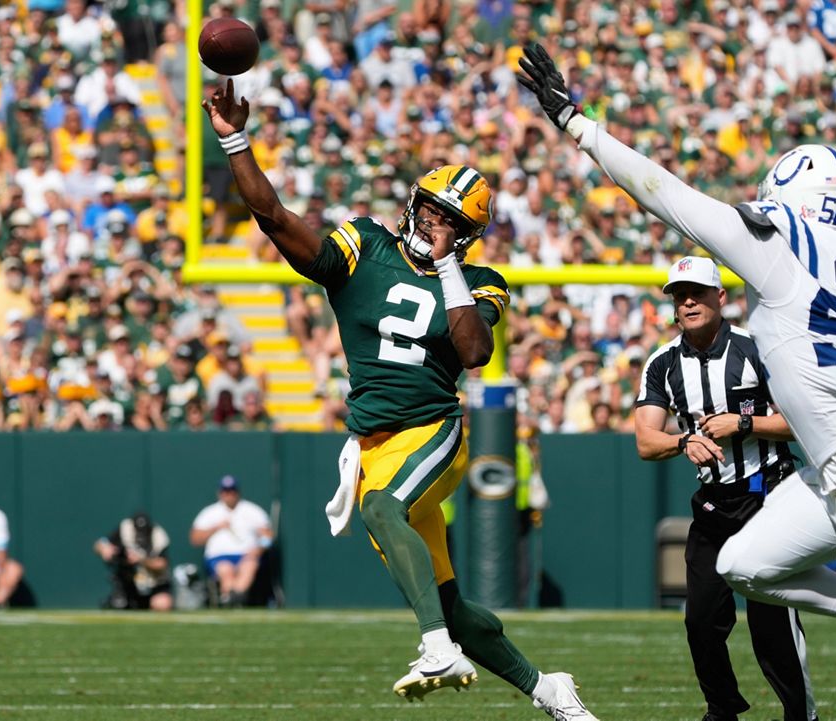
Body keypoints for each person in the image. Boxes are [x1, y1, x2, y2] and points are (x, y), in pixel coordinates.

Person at [518, 44, 836, 719]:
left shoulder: (783, 249)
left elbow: (666, 193)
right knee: (742, 564)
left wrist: (576, 122)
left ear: (790, 200)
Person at [203, 79, 597, 719]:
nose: (435, 224)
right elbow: (276, 220)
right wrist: (234, 139)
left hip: (433, 430)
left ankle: (437, 649)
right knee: (448, 604)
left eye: (451, 220)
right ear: (413, 204)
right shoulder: (364, 244)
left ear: (466, 234)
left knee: (384, 510)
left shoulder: (479, 281)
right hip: (371, 443)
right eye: (431, 209)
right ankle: (548, 688)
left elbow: (473, 353)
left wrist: (446, 270)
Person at [635, 256, 814, 721]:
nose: (687, 301)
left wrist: (746, 422)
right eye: (679, 295)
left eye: (696, 292)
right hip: (715, 505)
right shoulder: (662, 363)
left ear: (720, 297)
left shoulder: (758, 349)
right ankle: (722, 710)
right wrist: (682, 441)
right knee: (701, 620)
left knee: (772, 622)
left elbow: (804, 421)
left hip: (770, 496)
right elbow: (645, 440)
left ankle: (800, 714)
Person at [190, 475, 274, 608]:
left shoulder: (252, 511)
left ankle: (235, 598)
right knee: (226, 570)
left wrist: (257, 550)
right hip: (219, 556)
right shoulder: (210, 513)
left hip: (247, 555)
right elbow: (195, 539)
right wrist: (216, 528)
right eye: (225, 491)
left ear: (238, 492)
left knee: (249, 566)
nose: (229, 494)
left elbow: (268, 537)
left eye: (232, 490)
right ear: (220, 493)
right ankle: (231, 598)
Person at [94, 511, 173, 612]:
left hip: (153, 583)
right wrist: (104, 548)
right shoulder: (124, 529)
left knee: (162, 604)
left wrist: (141, 560)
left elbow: (162, 564)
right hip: (129, 582)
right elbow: (99, 544)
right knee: (118, 605)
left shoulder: (159, 536)